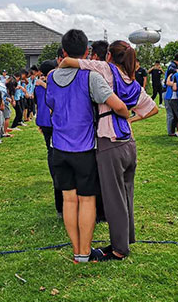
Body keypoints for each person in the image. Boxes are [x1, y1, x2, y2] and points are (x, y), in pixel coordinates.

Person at [61, 40, 158, 261]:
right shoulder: (133, 84)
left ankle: (119, 250)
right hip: (128, 144)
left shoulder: (106, 69)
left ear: (109, 57)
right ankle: (124, 240)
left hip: (109, 142)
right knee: (126, 194)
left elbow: (67, 61)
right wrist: (133, 118)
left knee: (113, 197)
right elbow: (152, 108)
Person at [45, 29, 128, 263]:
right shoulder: (90, 76)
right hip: (84, 150)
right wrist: (125, 114)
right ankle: (84, 251)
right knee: (87, 199)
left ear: (63, 52)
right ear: (86, 52)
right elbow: (117, 104)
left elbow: (51, 103)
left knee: (69, 200)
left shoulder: (51, 77)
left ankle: (76, 251)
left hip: (58, 149)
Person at [34, 60, 62, 217]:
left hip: (44, 121)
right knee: (53, 150)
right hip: (52, 121)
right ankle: (56, 177)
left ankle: (55, 175)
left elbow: (38, 103)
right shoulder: (54, 82)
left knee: (49, 149)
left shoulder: (38, 84)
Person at [164, 53, 178, 137]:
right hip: (170, 94)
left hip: (168, 94)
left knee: (172, 115)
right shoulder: (173, 68)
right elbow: (169, 82)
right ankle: (173, 132)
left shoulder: (171, 67)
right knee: (174, 115)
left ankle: (172, 131)